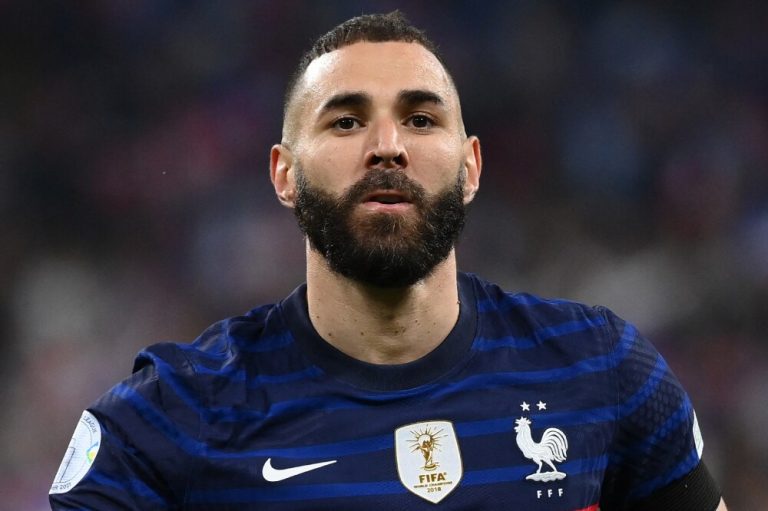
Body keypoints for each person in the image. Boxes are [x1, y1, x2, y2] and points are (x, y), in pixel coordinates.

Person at [50, 11, 728, 510]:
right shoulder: (174, 413)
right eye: (345, 121)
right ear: (284, 174)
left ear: (470, 167)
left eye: (421, 119)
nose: (387, 145)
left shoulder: (600, 368)